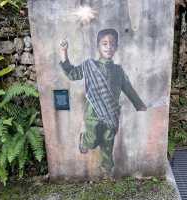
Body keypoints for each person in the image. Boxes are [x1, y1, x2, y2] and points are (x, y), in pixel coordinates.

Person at [59, 28, 147, 174]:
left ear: (116, 47)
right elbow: (72, 74)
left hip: (112, 113)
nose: (108, 47)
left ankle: (107, 170)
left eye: (112, 44)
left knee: (108, 142)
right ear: (98, 46)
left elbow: (128, 89)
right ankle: (84, 140)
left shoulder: (118, 70)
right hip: (93, 112)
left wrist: (139, 105)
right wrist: (63, 52)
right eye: (104, 43)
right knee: (92, 138)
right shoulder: (89, 66)